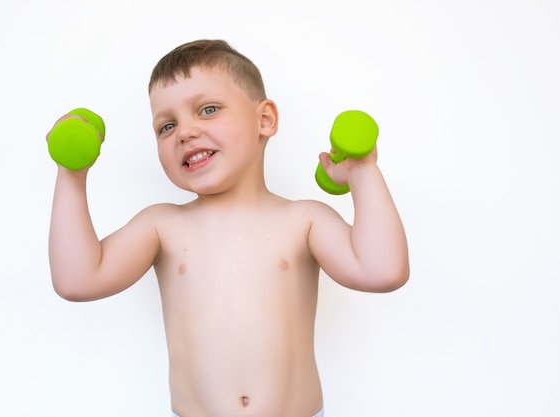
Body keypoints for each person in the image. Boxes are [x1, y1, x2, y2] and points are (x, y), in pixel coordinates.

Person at [47, 39, 409, 417]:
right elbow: (78, 281)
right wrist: (71, 172)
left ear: (264, 119)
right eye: (166, 126)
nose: (184, 132)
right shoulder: (162, 226)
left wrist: (362, 170)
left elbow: (382, 271)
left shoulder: (304, 220)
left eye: (207, 109)